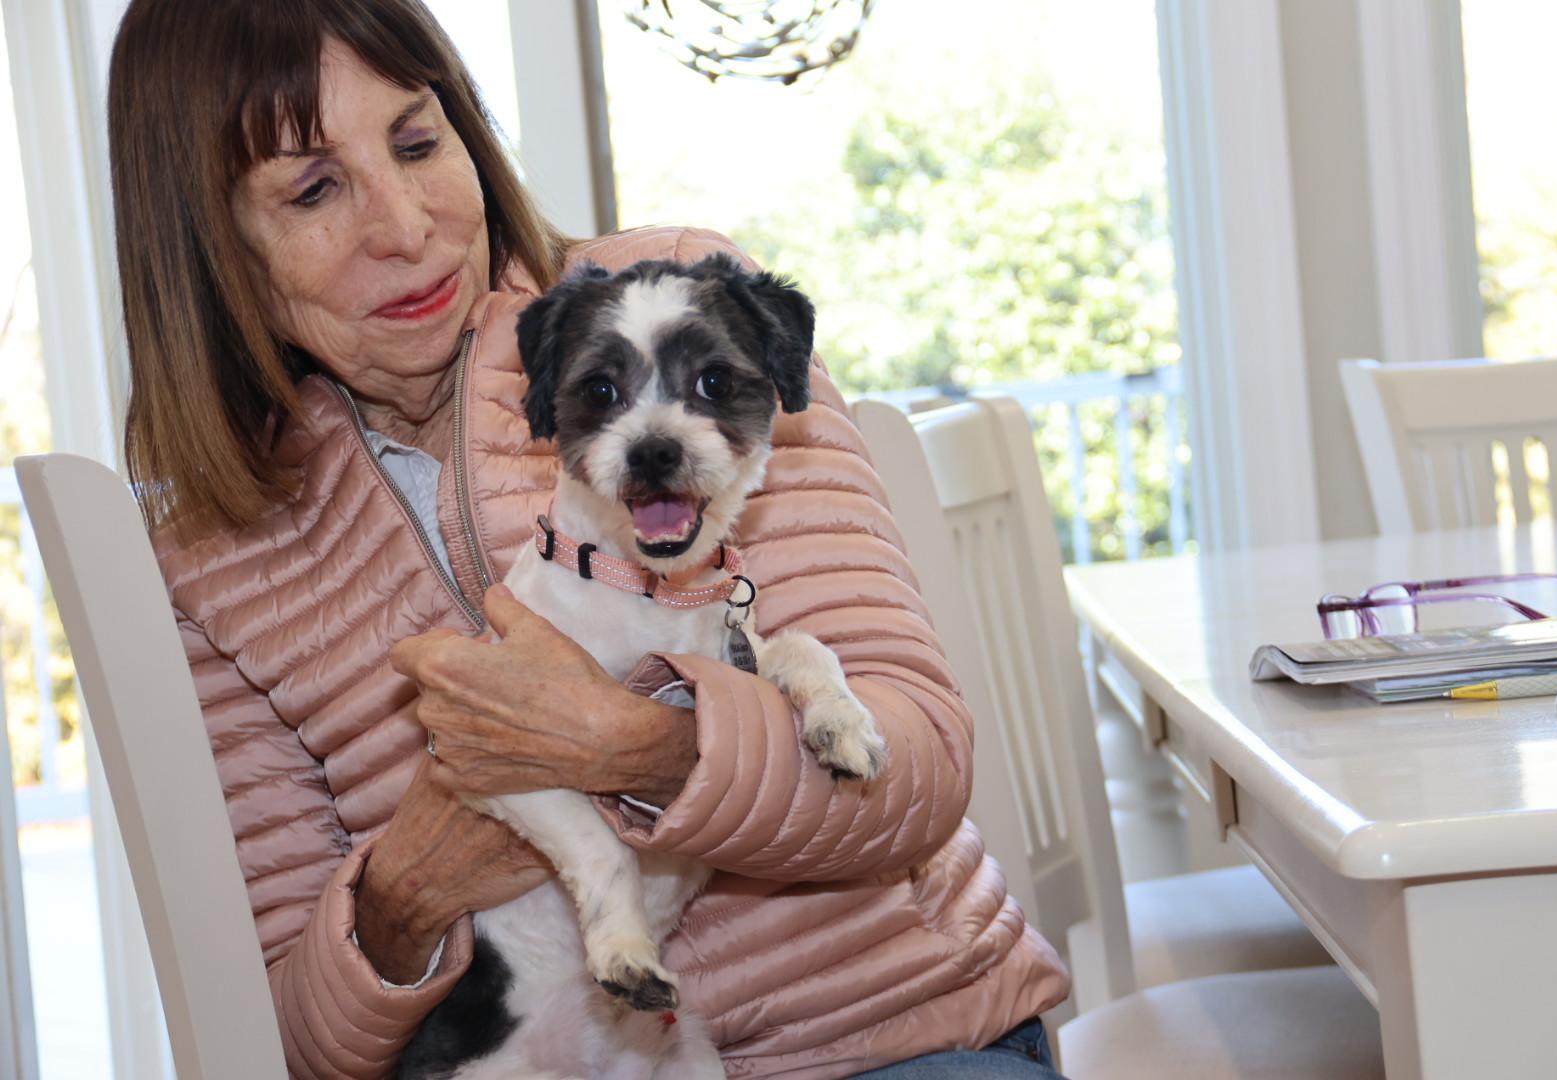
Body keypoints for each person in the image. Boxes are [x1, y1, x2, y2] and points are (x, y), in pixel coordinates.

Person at [110, 1, 1068, 1075]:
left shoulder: (693, 304)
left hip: (885, 1038)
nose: (406, 225)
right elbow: (286, 1036)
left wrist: (635, 748)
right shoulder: (209, 558)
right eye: (314, 190)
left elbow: (921, 770)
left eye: (417, 143)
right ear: (212, 245)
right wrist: (406, 889)